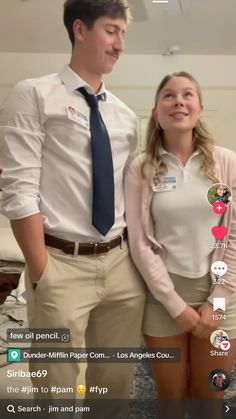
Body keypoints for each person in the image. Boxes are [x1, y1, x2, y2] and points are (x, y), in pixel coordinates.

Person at [0, 1, 145, 417]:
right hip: (60, 263)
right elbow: (18, 189)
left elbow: (128, 193)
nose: (120, 45)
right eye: (112, 31)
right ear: (80, 29)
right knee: (57, 391)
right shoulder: (33, 94)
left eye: (123, 34)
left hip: (121, 264)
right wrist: (41, 270)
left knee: (115, 385)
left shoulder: (122, 116)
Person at [124, 71, 236, 419]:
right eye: (169, 95)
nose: (179, 101)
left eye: (188, 94)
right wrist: (176, 306)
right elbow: (140, 243)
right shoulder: (141, 168)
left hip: (220, 294)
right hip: (162, 299)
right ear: (156, 111)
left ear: (199, 109)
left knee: (209, 395)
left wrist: (216, 302)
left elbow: (232, 235)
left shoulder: (226, 162)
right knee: (171, 397)